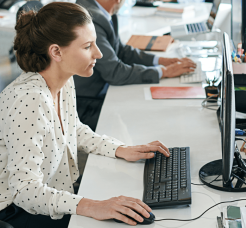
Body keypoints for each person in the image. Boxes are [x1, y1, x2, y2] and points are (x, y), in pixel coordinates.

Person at [0, 2, 169, 227]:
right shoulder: (30, 100)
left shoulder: (64, 79)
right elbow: (25, 190)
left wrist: (120, 149)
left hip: (53, 192)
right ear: (56, 52)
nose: (98, 53)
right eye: (88, 46)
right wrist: (92, 206)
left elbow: (73, 129)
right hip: (16, 210)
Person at [74, 0, 197, 131]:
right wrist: (164, 72)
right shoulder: (91, 18)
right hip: (87, 104)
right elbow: (115, 73)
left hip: (100, 93)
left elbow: (120, 50)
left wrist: (159, 60)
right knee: (148, 115)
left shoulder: (104, 12)